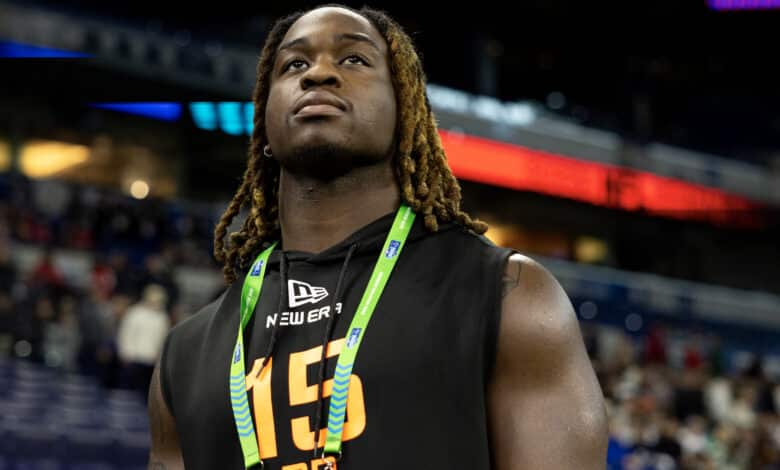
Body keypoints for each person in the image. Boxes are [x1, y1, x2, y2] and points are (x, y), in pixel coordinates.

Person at [148, 5, 607, 469]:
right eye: (295, 65)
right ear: (264, 121)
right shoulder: (185, 353)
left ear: (404, 107)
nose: (319, 74)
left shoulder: (506, 297)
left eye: (353, 60)